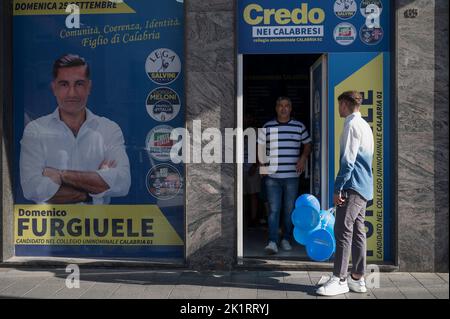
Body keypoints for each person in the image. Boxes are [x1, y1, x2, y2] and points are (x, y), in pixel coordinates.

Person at [20, 54, 131, 204]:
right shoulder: (36, 131)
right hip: (52, 226)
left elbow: (122, 183)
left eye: (79, 84)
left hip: (100, 226)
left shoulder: (109, 129)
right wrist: (93, 190)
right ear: (54, 88)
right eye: (64, 84)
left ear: (89, 87)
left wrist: (61, 175)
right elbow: (32, 189)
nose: (72, 93)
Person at [316, 91, 374, 296]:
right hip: (364, 186)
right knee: (358, 231)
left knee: (342, 231)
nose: (338, 108)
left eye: (339, 104)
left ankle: (340, 279)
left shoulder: (351, 125)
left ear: (344, 104)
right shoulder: (365, 125)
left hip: (352, 187)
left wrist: (337, 188)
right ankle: (357, 279)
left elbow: (348, 162)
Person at [258, 96, 312, 254]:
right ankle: (272, 241)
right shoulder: (267, 126)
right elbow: (260, 146)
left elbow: (308, 144)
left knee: (289, 210)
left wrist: (303, 158)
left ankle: (286, 238)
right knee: (274, 210)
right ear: (276, 108)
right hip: (272, 178)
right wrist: (262, 166)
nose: (283, 108)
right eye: (280, 105)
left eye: (287, 105)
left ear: (291, 108)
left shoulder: (299, 126)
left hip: (291, 177)